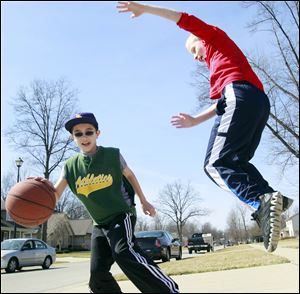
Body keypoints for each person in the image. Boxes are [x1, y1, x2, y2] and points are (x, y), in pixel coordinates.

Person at [117, 1, 294, 252]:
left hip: (239, 96)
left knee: (213, 165)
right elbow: (225, 102)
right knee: (237, 160)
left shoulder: (212, 38)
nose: (197, 57)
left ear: (200, 39)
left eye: (194, 50)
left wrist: (145, 9)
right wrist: (195, 120)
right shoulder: (229, 66)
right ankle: (271, 199)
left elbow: (184, 18)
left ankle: (261, 202)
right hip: (257, 102)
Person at [34, 112, 179, 293]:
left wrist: (143, 200)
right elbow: (55, 194)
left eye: (89, 132)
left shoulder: (112, 155)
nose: (84, 137)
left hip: (121, 214)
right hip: (99, 223)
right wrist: (40, 188)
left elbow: (130, 175)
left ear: (97, 133)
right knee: (97, 274)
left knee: (123, 253)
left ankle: (168, 290)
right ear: (72, 138)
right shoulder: (70, 166)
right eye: (78, 133)